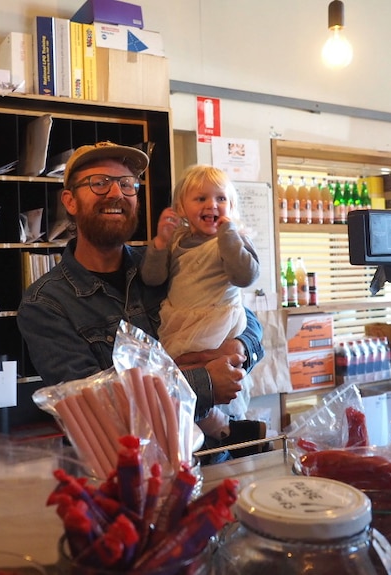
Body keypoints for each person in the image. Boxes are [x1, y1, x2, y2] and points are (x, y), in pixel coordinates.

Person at [16, 141, 265, 458]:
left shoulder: (165, 264)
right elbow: (97, 407)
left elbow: (247, 319)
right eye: (99, 183)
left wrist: (238, 348)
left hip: (211, 461)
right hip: (128, 477)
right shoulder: (46, 304)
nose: (116, 193)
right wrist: (203, 381)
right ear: (70, 201)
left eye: (127, 185)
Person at [140, 164, 260, 444]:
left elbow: (245, 276)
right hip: (180, 320)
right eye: (201, 198)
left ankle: (225, 427)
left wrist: (229, 235)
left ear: (231, 205)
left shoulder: (235, 239)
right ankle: (216, 430)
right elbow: (153, 278)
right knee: (176, 374)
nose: (212, 205)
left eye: (221, 199)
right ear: (181, 207)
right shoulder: (178, 241)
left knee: (215, 375)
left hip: (218, 320)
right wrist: (159, 243)